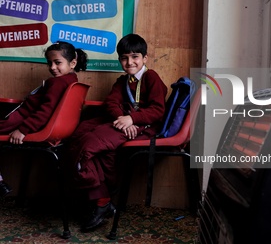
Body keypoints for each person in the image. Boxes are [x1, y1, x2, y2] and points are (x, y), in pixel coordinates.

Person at [65, 33, 167, 231]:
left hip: (144, 128)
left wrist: (133, 120)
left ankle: (102, 200)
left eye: (135, 57)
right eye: (124, 58)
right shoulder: (122, 81)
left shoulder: (151, 78)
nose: (129, 62)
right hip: (124, 125)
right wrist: (123, 119)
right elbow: (111, 103)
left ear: (145, 58)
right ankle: (101, 198)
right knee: (79, 133)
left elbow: (157, 110)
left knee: (90, 146)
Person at [0, 41, 88, 197]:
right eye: (50, 63)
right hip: (23, 117)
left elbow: (44, 112)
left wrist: (22, 130)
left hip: (19, 119)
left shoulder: (57, 82)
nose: (52, 67)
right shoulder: (71, 80)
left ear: (73, 63)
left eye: (57, 62)